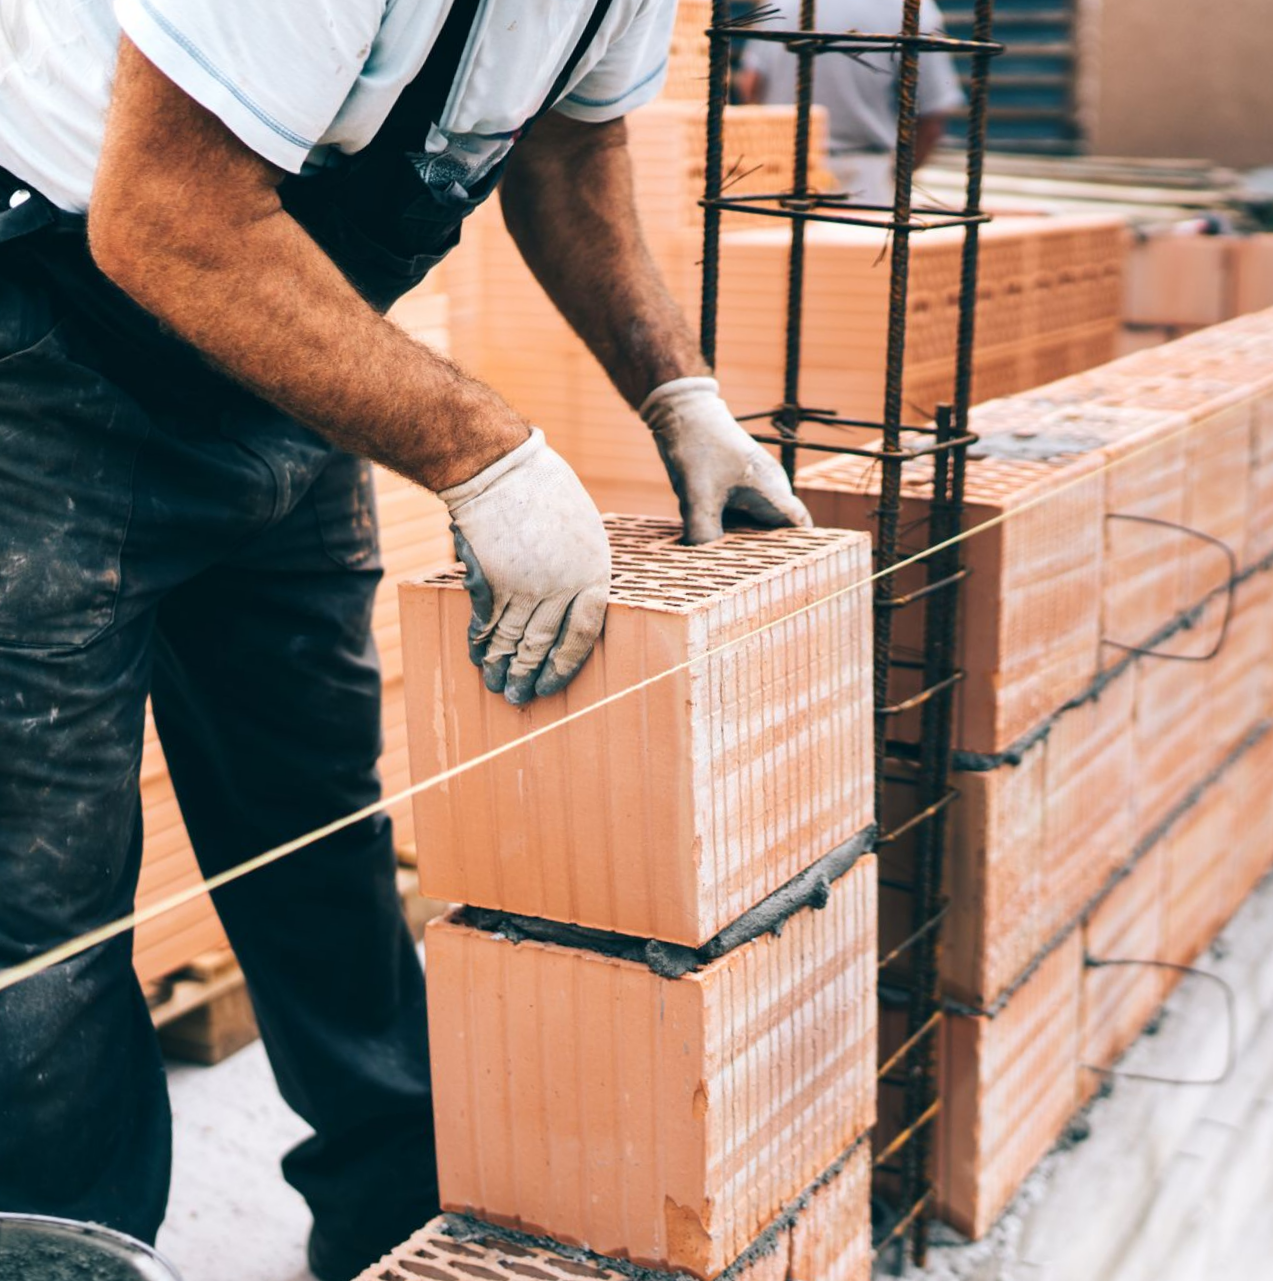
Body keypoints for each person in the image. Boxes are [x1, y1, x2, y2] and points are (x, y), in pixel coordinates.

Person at [0, 2, 812, 1278]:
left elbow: (565, 158)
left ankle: (396, 1228)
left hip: (269, 350)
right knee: (46, 913)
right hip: (48, 359)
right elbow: (166, 214)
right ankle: (76, 1250)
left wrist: (679, 390)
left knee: (317, 823)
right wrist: (484, 456)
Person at [738, 0, 965, 206]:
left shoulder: (781, 3)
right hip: (864, 180)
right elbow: (932, 117)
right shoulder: (912, 8)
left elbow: (750, 85)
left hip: (779, 171)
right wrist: (896, 175)